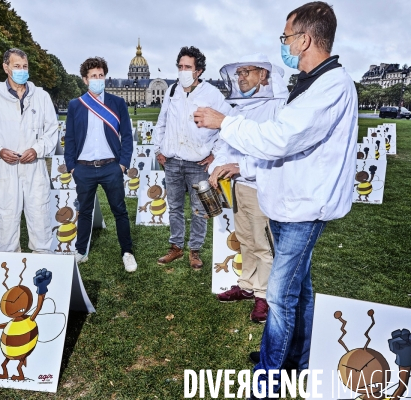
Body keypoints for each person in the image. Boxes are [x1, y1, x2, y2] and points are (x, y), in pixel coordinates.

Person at [194, 2, 357, 396]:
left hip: (304, 209)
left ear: (304, 38)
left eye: (286, 36)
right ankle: (296, 360)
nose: (284, 43)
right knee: (299, 290)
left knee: (281, 297)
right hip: (287, 205)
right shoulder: (307, 83)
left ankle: (267, 378)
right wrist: (239, 167)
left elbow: (281, 138)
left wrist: (224, 123)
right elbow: (281, 150)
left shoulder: (332, 85)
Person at [208, 54, 288, 324]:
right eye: (238, 73)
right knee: (244, 237)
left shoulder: (279, 107)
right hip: (238, 186)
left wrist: (240, 166)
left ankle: (264, 295)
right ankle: (247, 285)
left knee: (262, 243)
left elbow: (276, 150)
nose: (240, 78)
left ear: (264, 75)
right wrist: (217, 168)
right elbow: (224, 145)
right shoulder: (240, 107)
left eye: (247, 72)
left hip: (262, 185)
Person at [154, 46, 232, 270]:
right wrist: (159, 149)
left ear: (198, 70)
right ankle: (176, 247)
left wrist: (214, 155)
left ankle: (194, 251)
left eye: (187, 67)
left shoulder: (212, 94)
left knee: (199, 209)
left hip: (197, 163)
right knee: (175, 207)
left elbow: (227, 127)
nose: (182, 71)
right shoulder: (171, 91)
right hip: (172, 162)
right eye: (180, 67)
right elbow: (162, 123)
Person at [0, 48, 58, 254]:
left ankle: (43, 265)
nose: (22, 70)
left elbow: (51, 132)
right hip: (5, 169)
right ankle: (9, 269)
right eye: (16, 66)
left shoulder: (41, 97)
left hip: (34, 168)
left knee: (40, 217)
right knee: (6, 219)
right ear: (6, 67)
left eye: (25, 66)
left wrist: (37, 149)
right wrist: (0, 150)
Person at [64, 57, 137, 272]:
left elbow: (127, 136)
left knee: (120, 211)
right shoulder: (76, 105)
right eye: (93, 76)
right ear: (85, 80)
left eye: (101, 75)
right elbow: (69, 139)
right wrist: (72, 167)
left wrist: (122, 164)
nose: (98, 79)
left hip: (111, 167)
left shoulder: (117, 103)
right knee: (84, 211)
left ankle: (127, 252)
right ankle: (81, 251)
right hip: (83, 168)